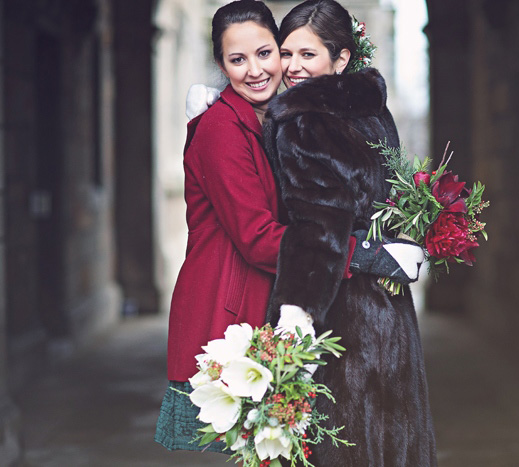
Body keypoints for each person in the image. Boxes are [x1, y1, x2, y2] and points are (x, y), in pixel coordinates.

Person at [155, 0, 422, 454]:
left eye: (265, 53)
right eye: (236, 60)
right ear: (220, 64)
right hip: (232, 307)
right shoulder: (222, 129)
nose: (257, 70)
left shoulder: (277, 114)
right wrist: (367, 254)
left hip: (274, 298)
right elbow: (259, 238)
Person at [264, 1, 437, 465]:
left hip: (339, 314)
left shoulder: (302, 123)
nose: (292, 67)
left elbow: (317, 225)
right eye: (286, 53)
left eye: (308, 55)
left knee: (342, 444)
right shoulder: (374, 112)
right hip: (389, 306)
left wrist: (296, 312)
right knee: (391, 436)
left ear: (340, 59)